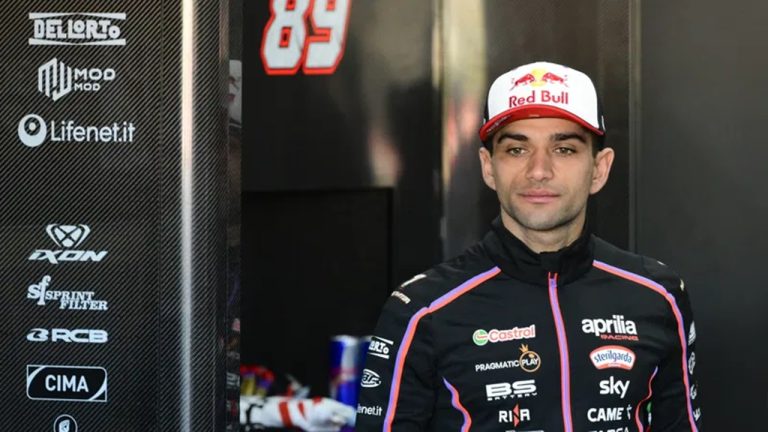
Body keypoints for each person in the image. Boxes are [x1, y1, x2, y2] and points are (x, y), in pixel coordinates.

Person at [355, 61, 702, 431]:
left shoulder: (657, 295)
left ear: (599, 169)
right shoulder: (421, 310)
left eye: (564, 149)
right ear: (489, 167)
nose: (539, 171)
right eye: (517, 150)